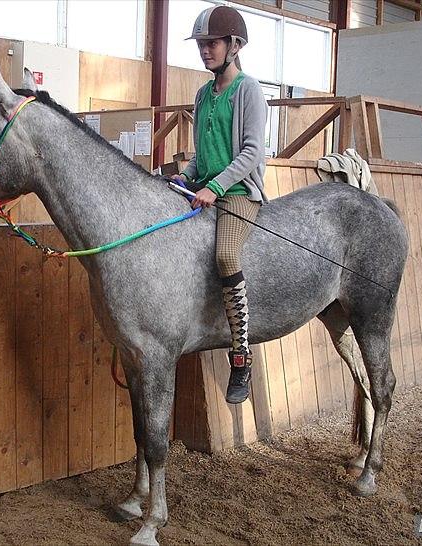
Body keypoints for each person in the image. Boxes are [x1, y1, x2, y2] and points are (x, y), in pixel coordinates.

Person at [172, 5, 268, 404]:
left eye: (211, 43)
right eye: (201, 44)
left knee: (227, 255)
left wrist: (215, 186)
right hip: (206, 187)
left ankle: (242, 357)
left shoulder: (249, 90)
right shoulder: (201, 94)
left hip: (240, 193)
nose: (204, 50)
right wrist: (185, 176)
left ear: (234, 45)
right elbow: (202, 153)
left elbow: (250, 153)